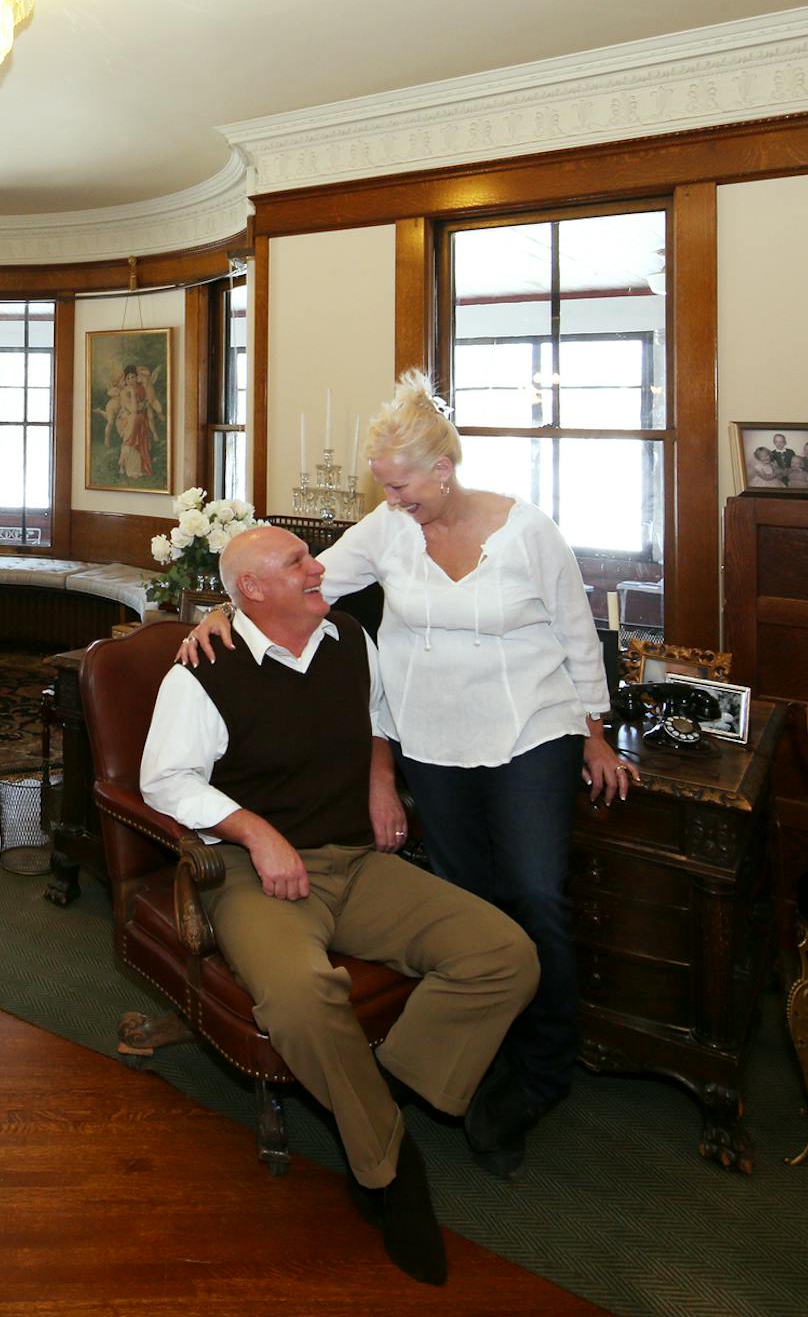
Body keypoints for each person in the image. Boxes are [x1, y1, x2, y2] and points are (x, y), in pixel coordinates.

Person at [183, 370, 636, 1179]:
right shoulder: (391, 528)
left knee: (536, 893)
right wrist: (221, 609)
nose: (392, 499)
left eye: (401, 485)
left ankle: (540, 1073)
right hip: (433, 738)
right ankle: (477, 1061)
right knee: (470, 899)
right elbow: (301, 577)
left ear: (442, 469)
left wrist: (596, 735)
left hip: (532, 727)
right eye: (384, 487)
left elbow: (578, 633)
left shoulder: (526, 531)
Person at [142, 523, 538, 1287]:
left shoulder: (351, 636)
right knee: (299, 994)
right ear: (252, 589)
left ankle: (373, 1093)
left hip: (355, 861)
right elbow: (167, 781)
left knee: (505, 953)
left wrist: (381, 778)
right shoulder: (202, 669)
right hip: (256, 875)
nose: (319, 566)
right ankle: (388, 1166)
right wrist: (257, 833)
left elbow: (377, 720)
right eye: (297, 562)